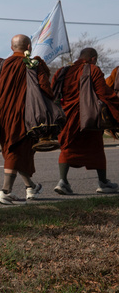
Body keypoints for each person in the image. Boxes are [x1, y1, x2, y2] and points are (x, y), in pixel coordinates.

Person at [0, 34, 51, 205]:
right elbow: (45, 89)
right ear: (29, 47)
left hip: (3, 114)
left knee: (20, 150)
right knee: (16, 149)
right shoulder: (34, 64)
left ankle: (31, 187)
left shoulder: (0, 64)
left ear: (11, 47)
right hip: (26, 114)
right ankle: (5, 191)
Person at [52, 48, 119, 195]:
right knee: (96, 148)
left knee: (67, 147)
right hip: (88, 117)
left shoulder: (63, 70)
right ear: (93, 58)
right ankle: (103, 182)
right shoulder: (93, 70)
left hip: (67, 116)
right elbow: (103, 93)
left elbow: (53, 90)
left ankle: (63, 181)